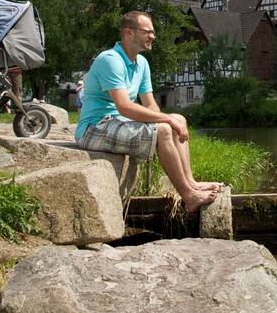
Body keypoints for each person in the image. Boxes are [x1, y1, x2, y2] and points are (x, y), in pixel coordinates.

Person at [75, 11, 219, 213]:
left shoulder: (141, 63)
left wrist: (169, 120)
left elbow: (150, 104)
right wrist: (165, 122)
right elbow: (124, 106)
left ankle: (191, 182)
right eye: (148, 32)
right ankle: (190, 196)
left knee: (178, 119)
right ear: (129, 32)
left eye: (153, 32)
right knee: (164, 129)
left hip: (118, 123)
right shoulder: (110, 60)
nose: (153, 36)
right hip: (94, 128)